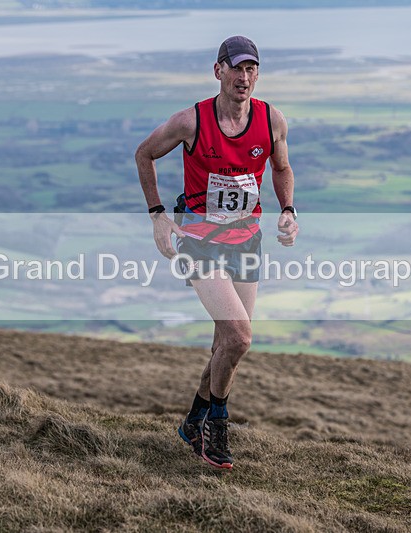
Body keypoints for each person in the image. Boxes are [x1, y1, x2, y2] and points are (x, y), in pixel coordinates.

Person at [135, 35, 298, 469]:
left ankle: (193, 421)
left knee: (225, 346)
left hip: (246, 241)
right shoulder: (191, 121)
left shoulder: (271, 120)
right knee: (239, 337)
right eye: (236, 68)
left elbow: (281, 168)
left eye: (251, 69)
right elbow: (144, 154)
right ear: (218, 71)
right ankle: (217, 424)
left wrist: (288, 210)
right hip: (199, 242)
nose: (244, 77)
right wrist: (157, 215)